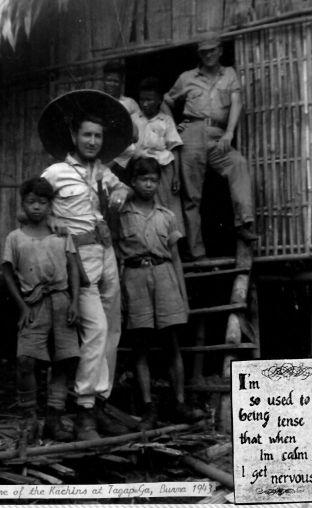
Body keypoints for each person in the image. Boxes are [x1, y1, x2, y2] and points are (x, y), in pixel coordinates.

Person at [39, 90, 133, 440]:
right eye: (87, 135)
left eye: (98, 136)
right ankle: (84, 412)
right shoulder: (55, 172)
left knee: (112, 330)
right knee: (95, 331)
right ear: (74, 136)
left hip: (105, 253)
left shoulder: (101, 170)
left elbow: (121, 189)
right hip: (78, 260)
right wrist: (52, 223)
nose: (93, 142)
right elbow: (32, 207)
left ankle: (100, 404)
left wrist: (120, 192)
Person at [118, 157, 202, 429]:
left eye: (154, 180)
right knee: (140, 345)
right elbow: (117, 257)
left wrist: (183, 297)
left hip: (165, 277)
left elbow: (175, 258)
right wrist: (120, 295)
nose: (149, 185)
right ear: (133, 182)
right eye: (144, 180)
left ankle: (180, 403)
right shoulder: (122, 215)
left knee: (172, 343)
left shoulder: (167, 216)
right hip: (135, 279)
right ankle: (148, 407)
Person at [162, 34, 257, 260]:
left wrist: (230, 132)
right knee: (192, 196)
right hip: (192, 134)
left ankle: (243, 223)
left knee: (238, 163)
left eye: (212, 50)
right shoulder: (187, 77)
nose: (208, 55)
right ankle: (197, 252)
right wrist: (174, 129)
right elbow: (166, 101)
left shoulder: (230, 74)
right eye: (204, 52)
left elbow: (236, 103)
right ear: (199, 54)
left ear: (220, 50)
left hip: (217, 135)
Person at [1, 177, 80, 441]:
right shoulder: (15, 238)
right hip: (33, 304)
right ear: (23, 204)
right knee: (26, 360)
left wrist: (75, 302)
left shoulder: (61, 234)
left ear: (50, 205)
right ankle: (29, 419)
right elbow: (7, 272)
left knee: (64, 360)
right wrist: (22, 307)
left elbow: (73, 268)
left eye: (43, 202)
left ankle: (54, 419)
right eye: (31, 202)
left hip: (61, 301)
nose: (37, 207)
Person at [134, 76, 185, 234]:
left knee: (167, 208)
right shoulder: (134, 119)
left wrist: (176, 176)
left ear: (159, 101)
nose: (145, 104)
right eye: (142, 99)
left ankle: (172, 241)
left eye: (149, 100)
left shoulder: (166, 120)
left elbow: (174, 148)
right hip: (141, 170)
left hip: (163, 171)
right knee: (144, 209)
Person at [103, 60, 141, 183]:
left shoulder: (130, 103)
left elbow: (135, 135)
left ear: (121, 83)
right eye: (108, 80)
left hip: (122, 154)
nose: (112, 84)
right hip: (101, 149)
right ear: (104, 80)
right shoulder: (98, 100)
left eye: (115, 81)